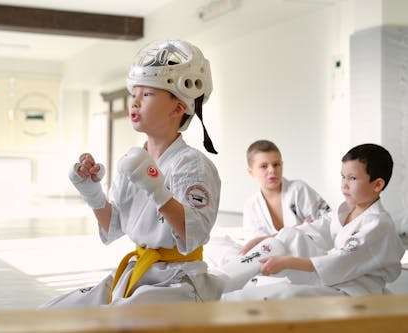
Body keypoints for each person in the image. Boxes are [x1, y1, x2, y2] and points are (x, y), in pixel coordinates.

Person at [40, 39, 224, 308]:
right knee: (53, 312)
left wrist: (156, 188)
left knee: (115, 321)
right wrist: (92, 192)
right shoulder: (134, 161)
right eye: (134, 93)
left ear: (178, 108)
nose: (135, 102)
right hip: (140, 271)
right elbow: (114, 226)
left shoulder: (192, 165)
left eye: (147, 94)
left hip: (178, 282)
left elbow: (192, 233)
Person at [221, 143, 405, 300]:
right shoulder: (347, 210)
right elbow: (313, 228)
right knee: (292, 235)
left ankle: (222, 288)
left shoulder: (377, 224)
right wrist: (263, 239)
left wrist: (286, 262)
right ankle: (222, 279)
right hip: (334, 276)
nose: (344, 184)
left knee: (282, 295)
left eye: (352, 178)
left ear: (377, 184)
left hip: (352, 290)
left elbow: (339, 262)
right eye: (343, 177)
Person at [204, 139, 330, 268]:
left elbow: (327, 225)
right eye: (264, 166)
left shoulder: (298, 189)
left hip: (301, 257)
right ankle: (242, 266)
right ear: (251, 172)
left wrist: (286, 235)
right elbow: (257, 247)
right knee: (213, 243)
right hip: (268, 259)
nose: (272, 170)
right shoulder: (251, 205)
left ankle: (243, 267)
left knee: (292, 239)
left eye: (276, 164)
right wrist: (302, 227)